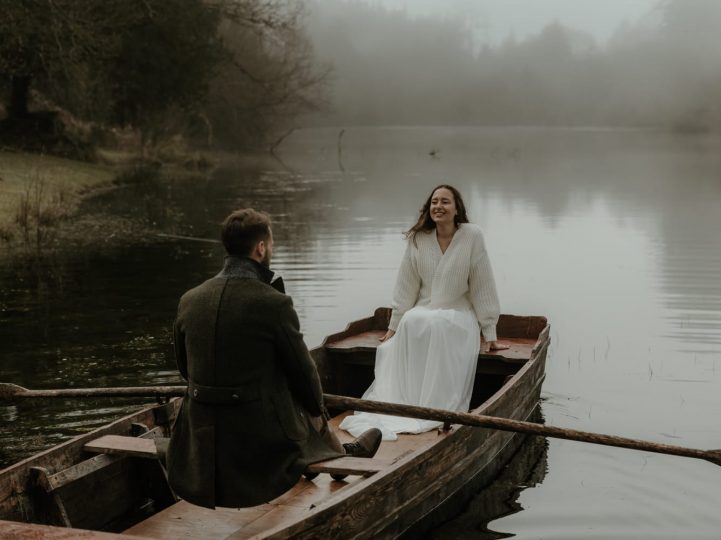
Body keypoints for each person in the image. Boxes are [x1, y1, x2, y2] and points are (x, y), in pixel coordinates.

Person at [167, 208, 382, 509]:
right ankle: (336, 457)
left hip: (198, 428)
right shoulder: (274, 303)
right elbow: (305, 379)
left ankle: (329, 455)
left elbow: (185, 370)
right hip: (255, 430)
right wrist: (315, 410)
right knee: (303, 390)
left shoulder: (189, 299)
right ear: (261, 248)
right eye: (272, 243)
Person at [340, 185, 508, 441]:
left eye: (445, 202)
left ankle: (435, 404)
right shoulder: (419, 238)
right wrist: (393, 327)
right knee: (413, 319)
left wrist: (490, 332)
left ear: (456, 209)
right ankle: (408, 402)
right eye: (434, 202)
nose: (438, 206)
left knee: (439, 323)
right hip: (424, 309)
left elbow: (482, 285)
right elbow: (405, 286)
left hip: (458, 313)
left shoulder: (472, 236)